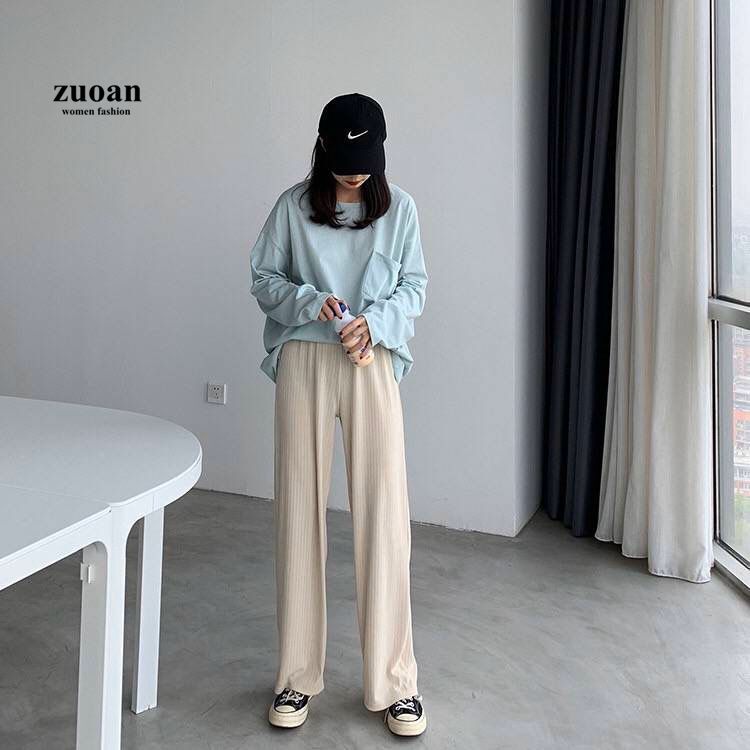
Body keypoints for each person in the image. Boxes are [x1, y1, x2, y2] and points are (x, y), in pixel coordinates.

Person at [249, 92, 428, 737]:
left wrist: (374, 323)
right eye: (344, 163)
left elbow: (414, 287)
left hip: (370, 362)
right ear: (322, 149)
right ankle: (297, 675)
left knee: (384, 515)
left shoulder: (400, 209)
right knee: (299, 511)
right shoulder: (292, 207)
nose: (354, 176)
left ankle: (396, 682)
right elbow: (263, 279)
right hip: (304, 358)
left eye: (365, 164)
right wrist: (309, 301)